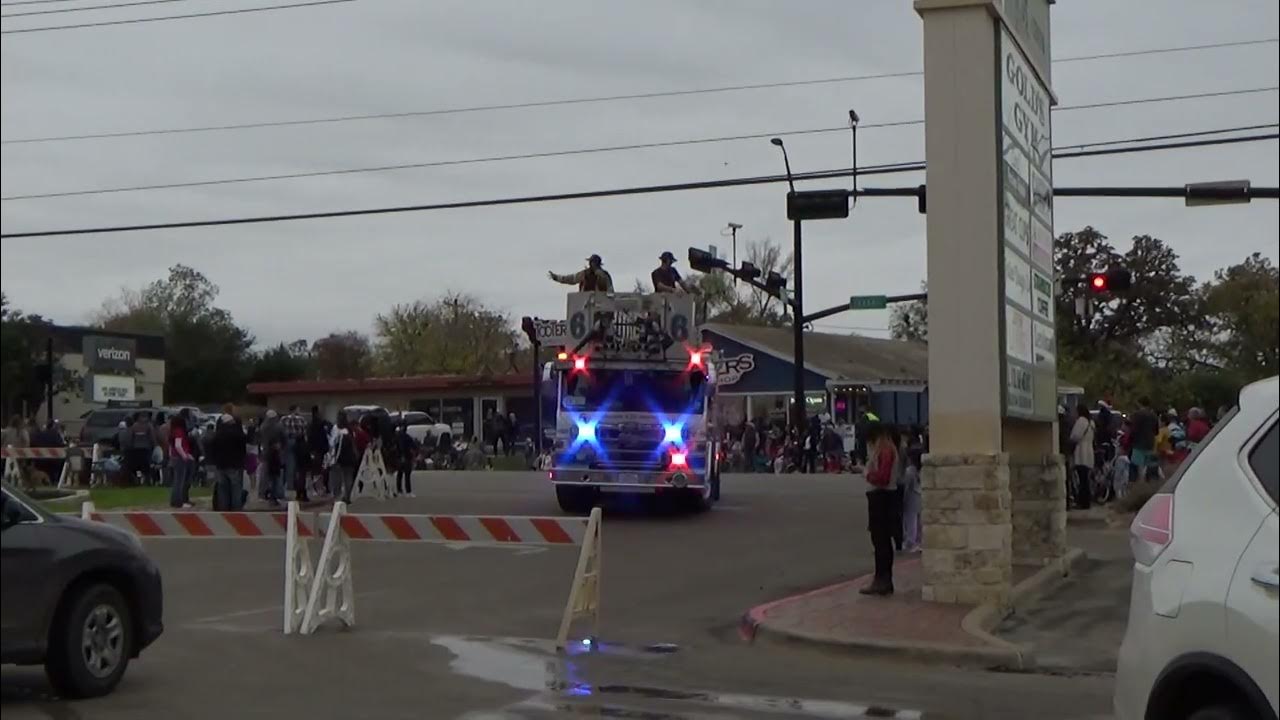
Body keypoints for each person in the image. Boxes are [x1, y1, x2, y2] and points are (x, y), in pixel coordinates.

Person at [860, 423, 899, 596]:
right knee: (881, 539)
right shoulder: (887, 450)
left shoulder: (885, 451)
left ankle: (882, 579)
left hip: (881, 497)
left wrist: (866, 474)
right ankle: (882, 578)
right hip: (882, 497)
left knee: (881, 539)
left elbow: (883, 478)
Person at [210, 410, 247, 511]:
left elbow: (212, 449)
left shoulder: (217, 435)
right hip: (235, 464)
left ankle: (224, 509)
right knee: (236, 488)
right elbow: (243, 447)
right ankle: (236, 509)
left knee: (223, 489)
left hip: (221, 465)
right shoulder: (237, 434)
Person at [1069, 404, 1096, 510]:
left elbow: (1075, 436)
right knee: (1086, 479)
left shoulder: (1081, 421)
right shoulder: (1091, 423)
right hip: (1089, 451)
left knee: (1082, 479)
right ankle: (1086, 501)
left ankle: (1083, 502)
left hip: (1081, 451)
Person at [257, 410, 286, 506]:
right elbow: (284, 438)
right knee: (276, 476)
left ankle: (262, 494)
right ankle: (277, 494)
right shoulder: (279, 427)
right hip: (276, 453)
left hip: (265, 453)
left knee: (264, 476)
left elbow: (260, 439)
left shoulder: (263, 427)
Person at [329, 412, 359, 503]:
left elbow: (332, 443)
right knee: (348, 477)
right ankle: (347, 496)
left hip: (339, 457)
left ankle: (337, 496)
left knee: (336, 477)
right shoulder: (349, 429)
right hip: (350, 457)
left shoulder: (336, 429)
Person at [1129, 397, 1160, 483]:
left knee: (1138, 466)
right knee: (1149, 466)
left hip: (1138, 443)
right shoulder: (1153, 415)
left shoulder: (1137, 415)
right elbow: (1156, 431)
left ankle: (1139, 484)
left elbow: (1133, 429)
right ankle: (1148, 484)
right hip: (1150, 443)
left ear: (1140, 403)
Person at [168, 413, 194, 508]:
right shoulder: (179, 431)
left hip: (174, 457)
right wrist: (184, 455)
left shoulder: (172, 431)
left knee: (176, 481)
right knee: (180, 481)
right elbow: (178, 445)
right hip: (179, 458)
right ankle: (178, 502)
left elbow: (172, 446)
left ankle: (174, 500)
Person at [548, 254, 614, 292]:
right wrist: (556, 277)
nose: (591, 264)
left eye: (593, 262)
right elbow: (571, 279)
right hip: (585, 304)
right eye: (591, 262)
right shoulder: (585, 274)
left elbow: (610, 289)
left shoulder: (604, 275)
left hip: (600, 305)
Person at [901, 447, 923, 553]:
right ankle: (919, 541)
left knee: (910, 521)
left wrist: (902, 499)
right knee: (919, 521)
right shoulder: (922, 469)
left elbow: (906, 486)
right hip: (920, 496)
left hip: (911, 497)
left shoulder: (909, 471)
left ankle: (911, 542)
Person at [307, 406, 331, 497]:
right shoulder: (320, 424)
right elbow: (323, 437)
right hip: (320, 450)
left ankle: (316, 488)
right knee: (320, 470)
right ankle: (319, 488)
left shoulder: (310, 425)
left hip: (314, 450)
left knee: (315, 470)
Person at [393, 423, 417, 497]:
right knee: (407, 475)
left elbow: (395, 447)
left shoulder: (396, 437)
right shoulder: (407, 437)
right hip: (406, 457)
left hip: (399, 457)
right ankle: (408, 491)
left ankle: (399, 490)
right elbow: (414, 446)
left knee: (399, 474)